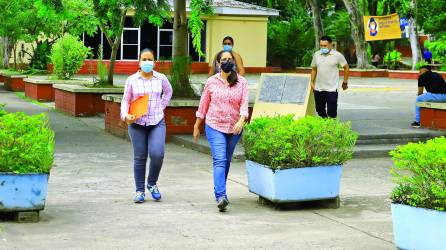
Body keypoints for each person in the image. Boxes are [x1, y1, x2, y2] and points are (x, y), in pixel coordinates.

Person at [194, 50, 249, 212]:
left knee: (226, 160)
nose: (227, 61)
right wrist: (197, 125)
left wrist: (241, 121)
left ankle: (220, 191)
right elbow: (203, 105)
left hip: (234, 128)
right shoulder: (211, 82)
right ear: (218, 63)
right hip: (214, 125)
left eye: (229, 59)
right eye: (223, 59)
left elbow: (244, 105)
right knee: (219, 159)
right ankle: (221, 196)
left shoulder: (242, 82)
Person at [120, 48, 173, 203]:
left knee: (157, 154)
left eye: (150, 59)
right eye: (144, 59)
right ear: (139, 61)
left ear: (154, 62)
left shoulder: (161, 78)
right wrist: (125, 115)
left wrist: (161, 107)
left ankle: (151, 183)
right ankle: (139, 191)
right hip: (137, 124)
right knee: (140, 156)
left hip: (157, 122)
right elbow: (125, 100)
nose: (147, 62)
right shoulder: (131, 80)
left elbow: (168, 92)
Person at [310, 35, 349, 119]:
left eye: (325, 45)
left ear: (331, 45)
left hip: (332, 88)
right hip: (319, 88)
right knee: (319, 110)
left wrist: (345, 81)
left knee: (331, 111)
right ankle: (325, 123)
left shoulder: (337, 55)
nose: (323, 47)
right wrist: (312, 82)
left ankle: (331, 127)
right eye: (321, 45)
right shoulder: (316, 55)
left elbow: (346, 67)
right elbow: (314, 69)